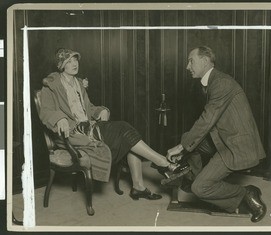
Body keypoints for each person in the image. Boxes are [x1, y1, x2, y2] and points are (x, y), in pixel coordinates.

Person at [39, 48, 185, 201]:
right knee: (123, 128)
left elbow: (88, 109)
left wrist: (100, 111)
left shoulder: (78, 83)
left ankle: (138, 187)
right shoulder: (52, 84)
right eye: (69, 61)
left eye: (75, 60)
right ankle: (163, 163)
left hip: (89, 126)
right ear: (61, 65)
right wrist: (59, 118)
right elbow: (46, 111)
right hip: (76, 131)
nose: (74, 64)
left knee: (128, 137)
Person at [166, 46, 267, 222]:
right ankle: (189, 174)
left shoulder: (221, 83)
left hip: (235, 145)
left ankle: (246, 193)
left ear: (205, 61)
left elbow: (207, 119)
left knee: (201, 188)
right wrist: (184, 147)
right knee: (189, 141)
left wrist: (181, 147)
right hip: (221, 138)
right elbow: (207, 124)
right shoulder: (211, 81)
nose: (187, 66)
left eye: (191, 61)